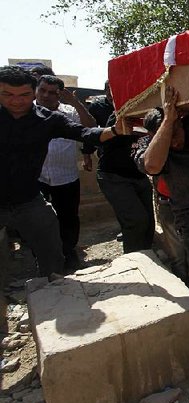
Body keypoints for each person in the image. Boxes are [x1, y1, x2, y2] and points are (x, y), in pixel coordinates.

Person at [0, 66, 123, 277]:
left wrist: (115, 130)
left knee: (52, 249)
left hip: (29, 200)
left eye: (24, 95)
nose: (16, 101)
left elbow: (84, 132)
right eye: (8, 94)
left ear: (32, 92)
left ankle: (54, 289)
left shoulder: (48, 119)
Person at [134, 88, 189, 342]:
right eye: (167, 137)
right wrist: (169, 123)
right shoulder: (145, 145)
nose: (175, 143)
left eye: (177, 134)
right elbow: (152, 165)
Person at [84, 80, 154, 253]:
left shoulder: (149, 114)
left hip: (138, 175)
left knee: (148, 223)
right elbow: (104, 142)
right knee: (136, 221)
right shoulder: (119, 115)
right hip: (114, 176)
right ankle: (136, 260)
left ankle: (146, 258)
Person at [35, 75, 97, 270]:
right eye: (42, 90)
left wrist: (76, 102)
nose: (46, 96)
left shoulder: (68, 112)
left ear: (59, 95)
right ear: (36, 90)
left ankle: (69, 253)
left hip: (66, 177)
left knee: (68, 218)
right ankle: (45, 258)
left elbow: (90, 127)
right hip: (37, 179)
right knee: (40, 220)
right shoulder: (26, 112)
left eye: (52, 93)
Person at [138, 108, 189, 285]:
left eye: (176, 129)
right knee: (178, 258)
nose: (173, 139)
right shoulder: (144, 145)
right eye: (166, 132)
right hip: (168, 206)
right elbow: (150, 165)